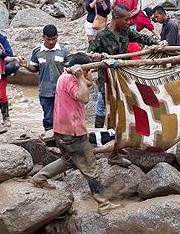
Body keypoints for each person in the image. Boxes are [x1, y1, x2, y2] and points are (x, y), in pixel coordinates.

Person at [30, 53, 121, 214]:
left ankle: (40, 177)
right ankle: (103, 204)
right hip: (73, 133)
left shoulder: (64, 75)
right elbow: (84, 97)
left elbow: (89, 84)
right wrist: (80, 78)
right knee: (90, 167)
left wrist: (85, 74)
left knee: (68, 160)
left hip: (62, 131)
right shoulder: (71, 80)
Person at [89, 4, 165, 128]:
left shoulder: (126, 31)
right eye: (126, 19)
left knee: (126, 101)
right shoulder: (102, 36)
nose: (129, 22)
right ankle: (100, 131)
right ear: (116, 18)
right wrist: (95, 56)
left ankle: (125, 129)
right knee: (104, 103)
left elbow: (141, 37)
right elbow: (90, 54)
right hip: (107, 79)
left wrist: (158, 42)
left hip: (124, 76)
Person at [22, 25, 70, 131]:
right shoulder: (37, 52)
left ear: (57, 37)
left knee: (63, 117)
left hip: (62, 91)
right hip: (45, 91)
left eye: (54, 39)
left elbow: (69, 70)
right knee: (48, 118)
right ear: (43, 37)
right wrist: (26, 66)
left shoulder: (64, 51)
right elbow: (35, 68)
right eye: (48, 39)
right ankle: (49, 142)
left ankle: (62, 140)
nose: (51, 42)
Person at [0, 27, 19, 127]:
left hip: (0, 71)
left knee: (0, 95)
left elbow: (8, 54)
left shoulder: (0, 39)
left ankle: (6, 117)